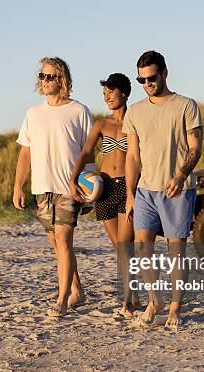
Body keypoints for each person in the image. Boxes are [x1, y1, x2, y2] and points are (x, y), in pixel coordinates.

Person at [123, 51, 203, 327]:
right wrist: (129, 196)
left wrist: (181, 175)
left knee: (175, 251)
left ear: (165, 73)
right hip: (145, 189)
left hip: (177, 190)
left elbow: (195, 148)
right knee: (142, 247)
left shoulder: (186, 106)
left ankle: (175, 308)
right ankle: (154, 300)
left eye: (152, 78)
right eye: (141, 80)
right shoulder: (134, 111)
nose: (148, 84)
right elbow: (132, 157)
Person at [13, 57, 93, 317]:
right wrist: (18, 186)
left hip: (69, 187)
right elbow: (25, 153)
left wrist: (91, 187)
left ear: (63, 80)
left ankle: (62, 299)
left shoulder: (79, 111)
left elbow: (88, 152)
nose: (45, 81)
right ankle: (77, 290)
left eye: (50, 76)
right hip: (42, 187)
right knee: (56, 243)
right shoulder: (32, 113)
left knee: (63, 240)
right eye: (42, 76)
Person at [70, 73, 141, 318]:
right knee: (119, 247)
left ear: (124, 92)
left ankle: (129, 298)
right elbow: (86, 152)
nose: (107, 97)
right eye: (104, 94)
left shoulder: (136, 120)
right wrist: (73, 179)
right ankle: (133, 294)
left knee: (125, 246)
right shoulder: (101, 124)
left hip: (128, 187)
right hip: (105, 188)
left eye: (111, 92)